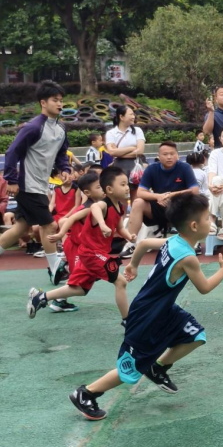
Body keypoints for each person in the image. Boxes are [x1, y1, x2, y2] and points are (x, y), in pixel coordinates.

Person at [68, 193, 223, 420]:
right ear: (194, 226)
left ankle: (157, 367)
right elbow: (204, 287)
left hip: (163, 310)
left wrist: (133, 265)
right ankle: (86, 393)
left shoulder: (174, 241)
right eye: (208, 218)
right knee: (130, 370)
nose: (211, 222)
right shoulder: (188, 258)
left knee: (196, 336)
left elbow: (144, 243)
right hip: (147, 315)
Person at [27, 167, 135, 322]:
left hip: (95, 252)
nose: (127, 188)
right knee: (121, 282)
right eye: (123, 184)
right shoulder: (99, 205)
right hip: (90, 253)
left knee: (80, 289)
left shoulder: (120, 207)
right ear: (109, 189)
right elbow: (91, 210)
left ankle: (41, 297)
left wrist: (129, 236)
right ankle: (128, 321)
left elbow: (119, 228)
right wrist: (100, 224)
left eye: (127, 184)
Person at [0, 81, 70, 283]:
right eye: (55, 100)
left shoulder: (60, 128)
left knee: (21, 228)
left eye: (61, 100)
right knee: (49, 225)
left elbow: (61, 153)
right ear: (43, 102)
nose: (59, 104)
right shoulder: (33, 127)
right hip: (28, 186)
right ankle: (55, 269)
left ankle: (54, 268)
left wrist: (64, 169)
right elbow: (12, 152)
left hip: (40, 185)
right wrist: (11, 179)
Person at [121, 142, 200, 258]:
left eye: (172, 154)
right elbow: (140, 192)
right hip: (159, 206)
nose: (169, 157)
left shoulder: (185, 167)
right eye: (165, 154)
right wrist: (158, 197)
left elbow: (195, 190)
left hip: (180, 207)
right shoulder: (152, 169)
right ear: (158, 156)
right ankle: (131, 244)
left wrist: (171, 195)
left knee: (194, 203)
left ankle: (193, 241)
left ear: (177, 155)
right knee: (138, 202)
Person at [47, 172, 106, 310]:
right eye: (99, 187)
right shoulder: (88, 208)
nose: (103, 189)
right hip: (76, 247)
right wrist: (61, 234)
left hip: (79, 246)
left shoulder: (97, 206)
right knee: (78, 279)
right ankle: (56, 298)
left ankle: (60, 296)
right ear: (87, 192)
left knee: (83, 276)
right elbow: (66, 220)